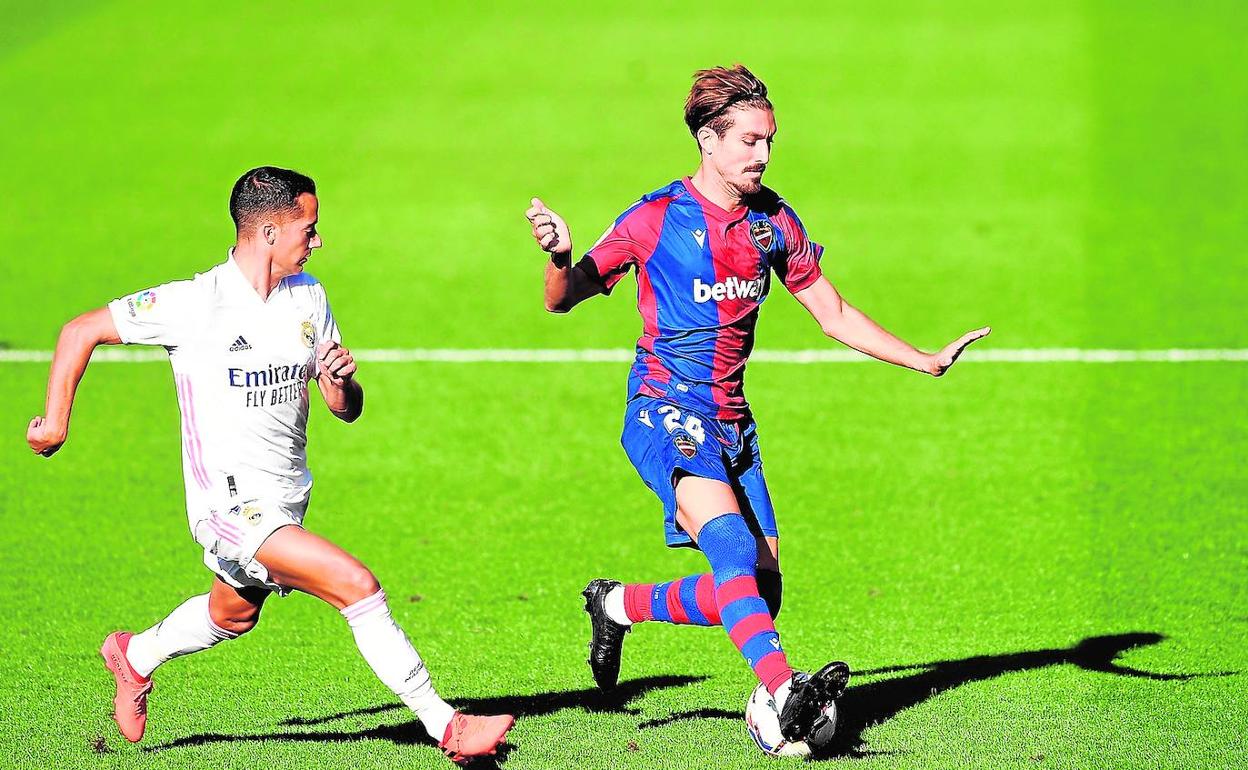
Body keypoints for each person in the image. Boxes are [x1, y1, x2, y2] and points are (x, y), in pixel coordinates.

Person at [525, 65, 989, 745]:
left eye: (768, 140)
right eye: (748, 141)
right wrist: (560, 256)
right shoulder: (653, 220)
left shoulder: (772, 220)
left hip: (733, 421)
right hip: (665, 407)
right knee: (733, 548)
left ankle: (617, 604)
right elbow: (559, 298)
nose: (763, 155)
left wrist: (921, 358)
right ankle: (784, 689)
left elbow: (830, 312)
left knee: (759, 594)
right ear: (707, 142)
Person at [26, 166, 513, 763]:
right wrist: (55, 422)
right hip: (227, 507)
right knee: (357, 587)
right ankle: (448, 727)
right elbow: (81, 331)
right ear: (268, 232)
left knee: (232, 614)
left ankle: (135, 656)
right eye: (309, 228)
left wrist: (338, 387)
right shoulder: (192, 304)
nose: (318, 241)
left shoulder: (309, 296)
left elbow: (347, 408)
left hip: (285, 498)